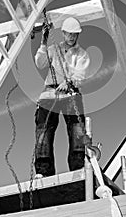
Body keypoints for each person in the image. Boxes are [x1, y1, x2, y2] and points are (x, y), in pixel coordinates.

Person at [34, 16, 90, 178]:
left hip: (71, 94)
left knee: (76, 130)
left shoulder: (82, 54)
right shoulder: (53, 49)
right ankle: (44, 171)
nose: (72, 37)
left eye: (75, 34)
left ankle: (78, 167)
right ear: (64, 33)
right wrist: (43, 43)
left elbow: (80, 75)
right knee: (43, 130)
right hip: (49, 94)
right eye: (69, 34)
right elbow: (41, 63)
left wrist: (70, 81)